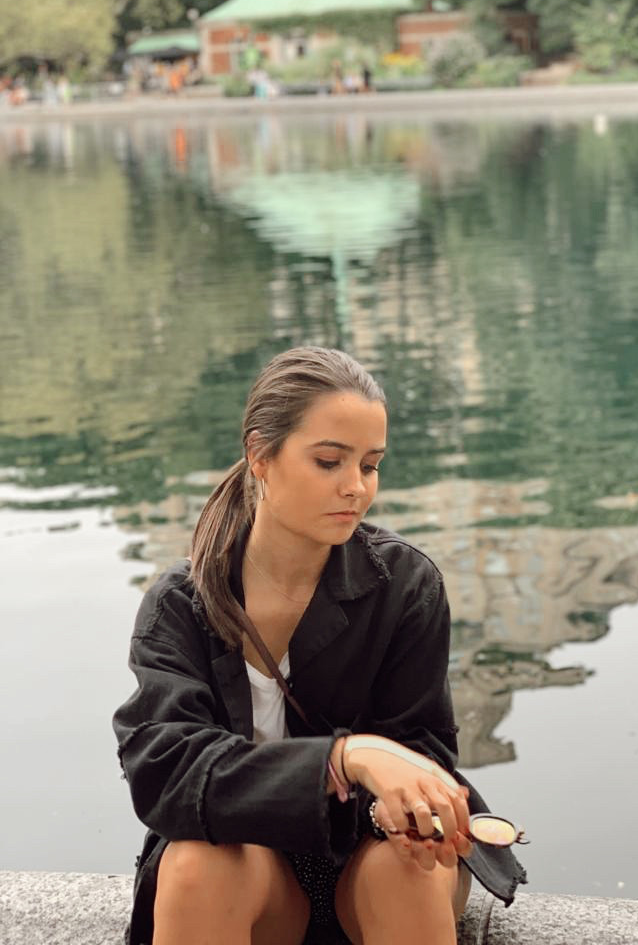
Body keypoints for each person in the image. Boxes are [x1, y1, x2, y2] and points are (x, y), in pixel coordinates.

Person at [113, 346, 526, 945]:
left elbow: (423, 750)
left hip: (368, 854)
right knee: (198, 864)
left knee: (405, 871)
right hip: (247, 872)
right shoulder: (180, 604)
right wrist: (344, 757)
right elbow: (165, 773)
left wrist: (397, 807)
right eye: (329, 461)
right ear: (260, 455)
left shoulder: (405, 585)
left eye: (371, 465)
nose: (355, 487)